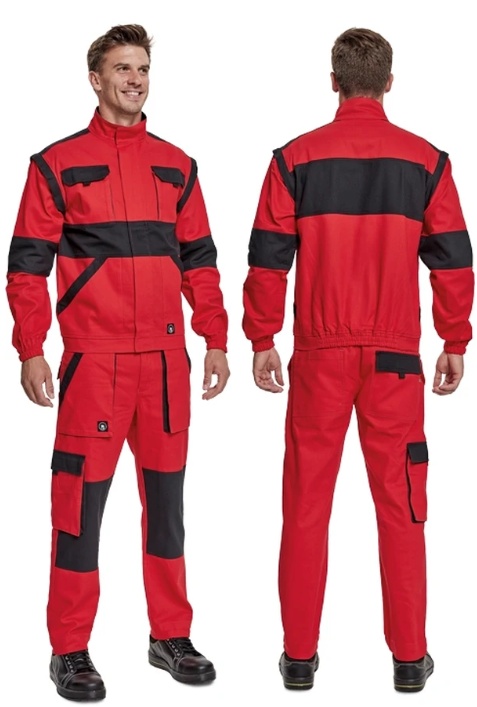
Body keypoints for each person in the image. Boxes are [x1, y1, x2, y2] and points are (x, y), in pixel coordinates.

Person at [242, 27, 473, 693]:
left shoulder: (294, 159)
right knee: (402, 506)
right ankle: (409, 659)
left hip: (319, 357)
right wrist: (453, 339)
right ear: (388, 83)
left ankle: (298, 658)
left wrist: (262, 337)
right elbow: (453, 261)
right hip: (396, 359)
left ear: (334, 82)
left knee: (305, 505)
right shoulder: (426, 162)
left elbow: (267, 260)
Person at [6, 24, 229, 702]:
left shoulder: (177, 165)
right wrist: (31, 347)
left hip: (164, 366)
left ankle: (170, 635)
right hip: (93, 365)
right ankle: (69, 648)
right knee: (77, 511)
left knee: (166, 511)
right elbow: (26, 267)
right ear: (95, 79)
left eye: (142, 68)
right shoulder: (56, 164)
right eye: (122, 68)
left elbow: (200, 262)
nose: (135, 79)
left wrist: (215, 338)